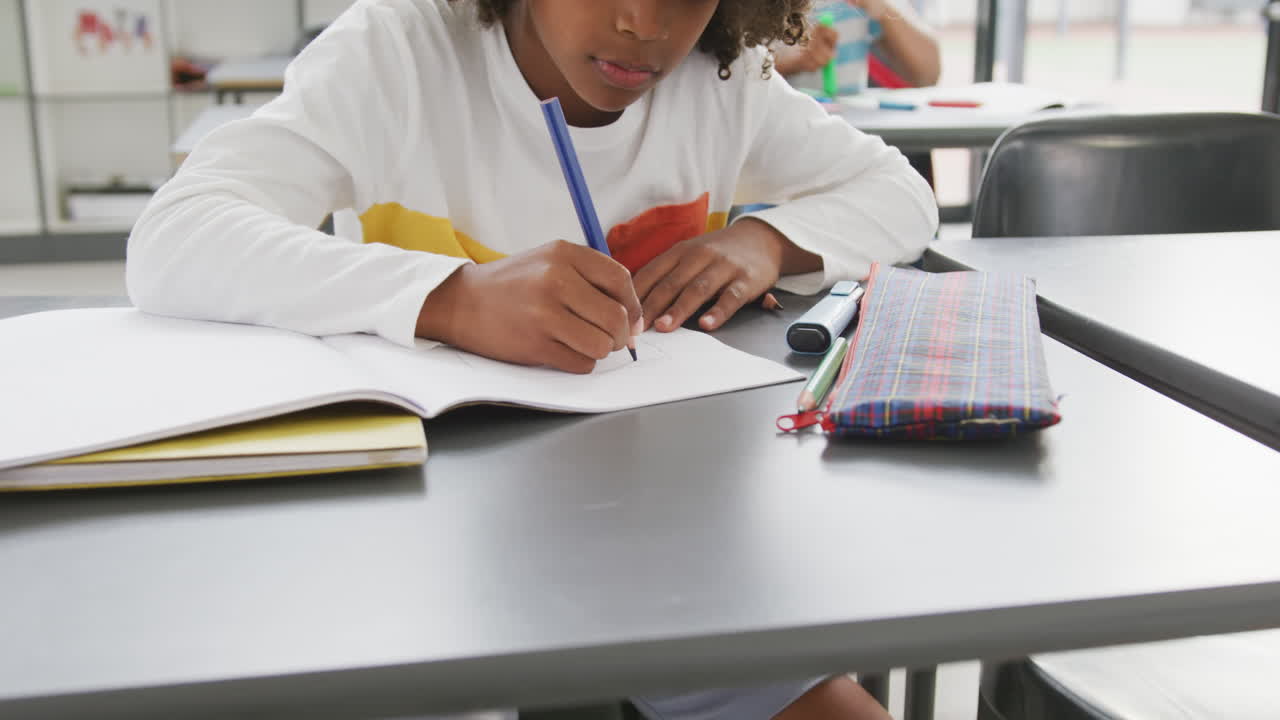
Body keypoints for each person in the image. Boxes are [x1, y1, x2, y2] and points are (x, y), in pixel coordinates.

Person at [128, 1, 936, 714]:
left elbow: (901, 195)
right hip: (422, 555)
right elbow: (177, 235)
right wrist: (453, 297)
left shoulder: (722, 80)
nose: (644, 23)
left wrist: (766, 240)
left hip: (670, 559)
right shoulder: (399, 54)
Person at [773, 0, 941, 88]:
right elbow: (748, 67)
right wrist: (793, 61)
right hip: (785, 126)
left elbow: (927, 75)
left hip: (853, 125)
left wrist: (884, 9)